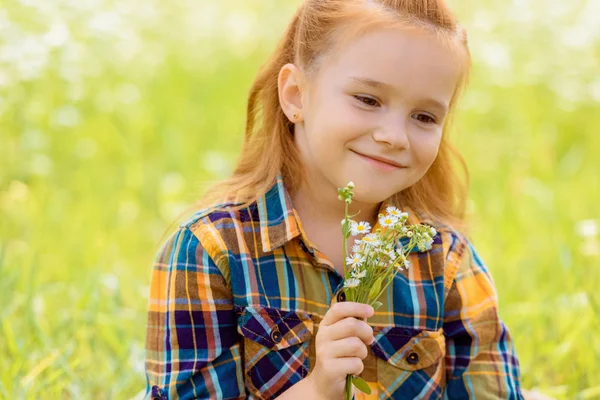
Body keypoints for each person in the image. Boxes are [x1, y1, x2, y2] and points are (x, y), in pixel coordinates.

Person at [144, 0, 524, 398]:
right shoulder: (212, 251)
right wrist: (318, 389)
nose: (395, 136)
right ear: (296, 95)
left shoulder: (446, 262)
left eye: (425, 117)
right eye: (368, 100)